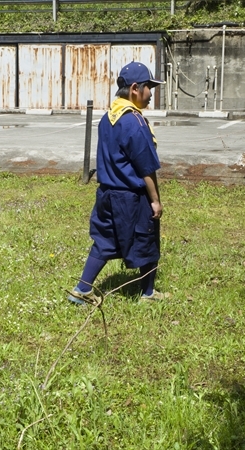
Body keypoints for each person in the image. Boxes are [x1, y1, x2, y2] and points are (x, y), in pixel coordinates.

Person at [68, 61, 165, 305]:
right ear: (135, 89)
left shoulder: (107, 118)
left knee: (104, 240)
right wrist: (155, 200)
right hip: (132, 197)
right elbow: (146, 168)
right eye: (149, 87)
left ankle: (82, 289)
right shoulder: (135, 122)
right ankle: (148, 293)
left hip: (107, 194)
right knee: (147, 239)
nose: (151, 93)